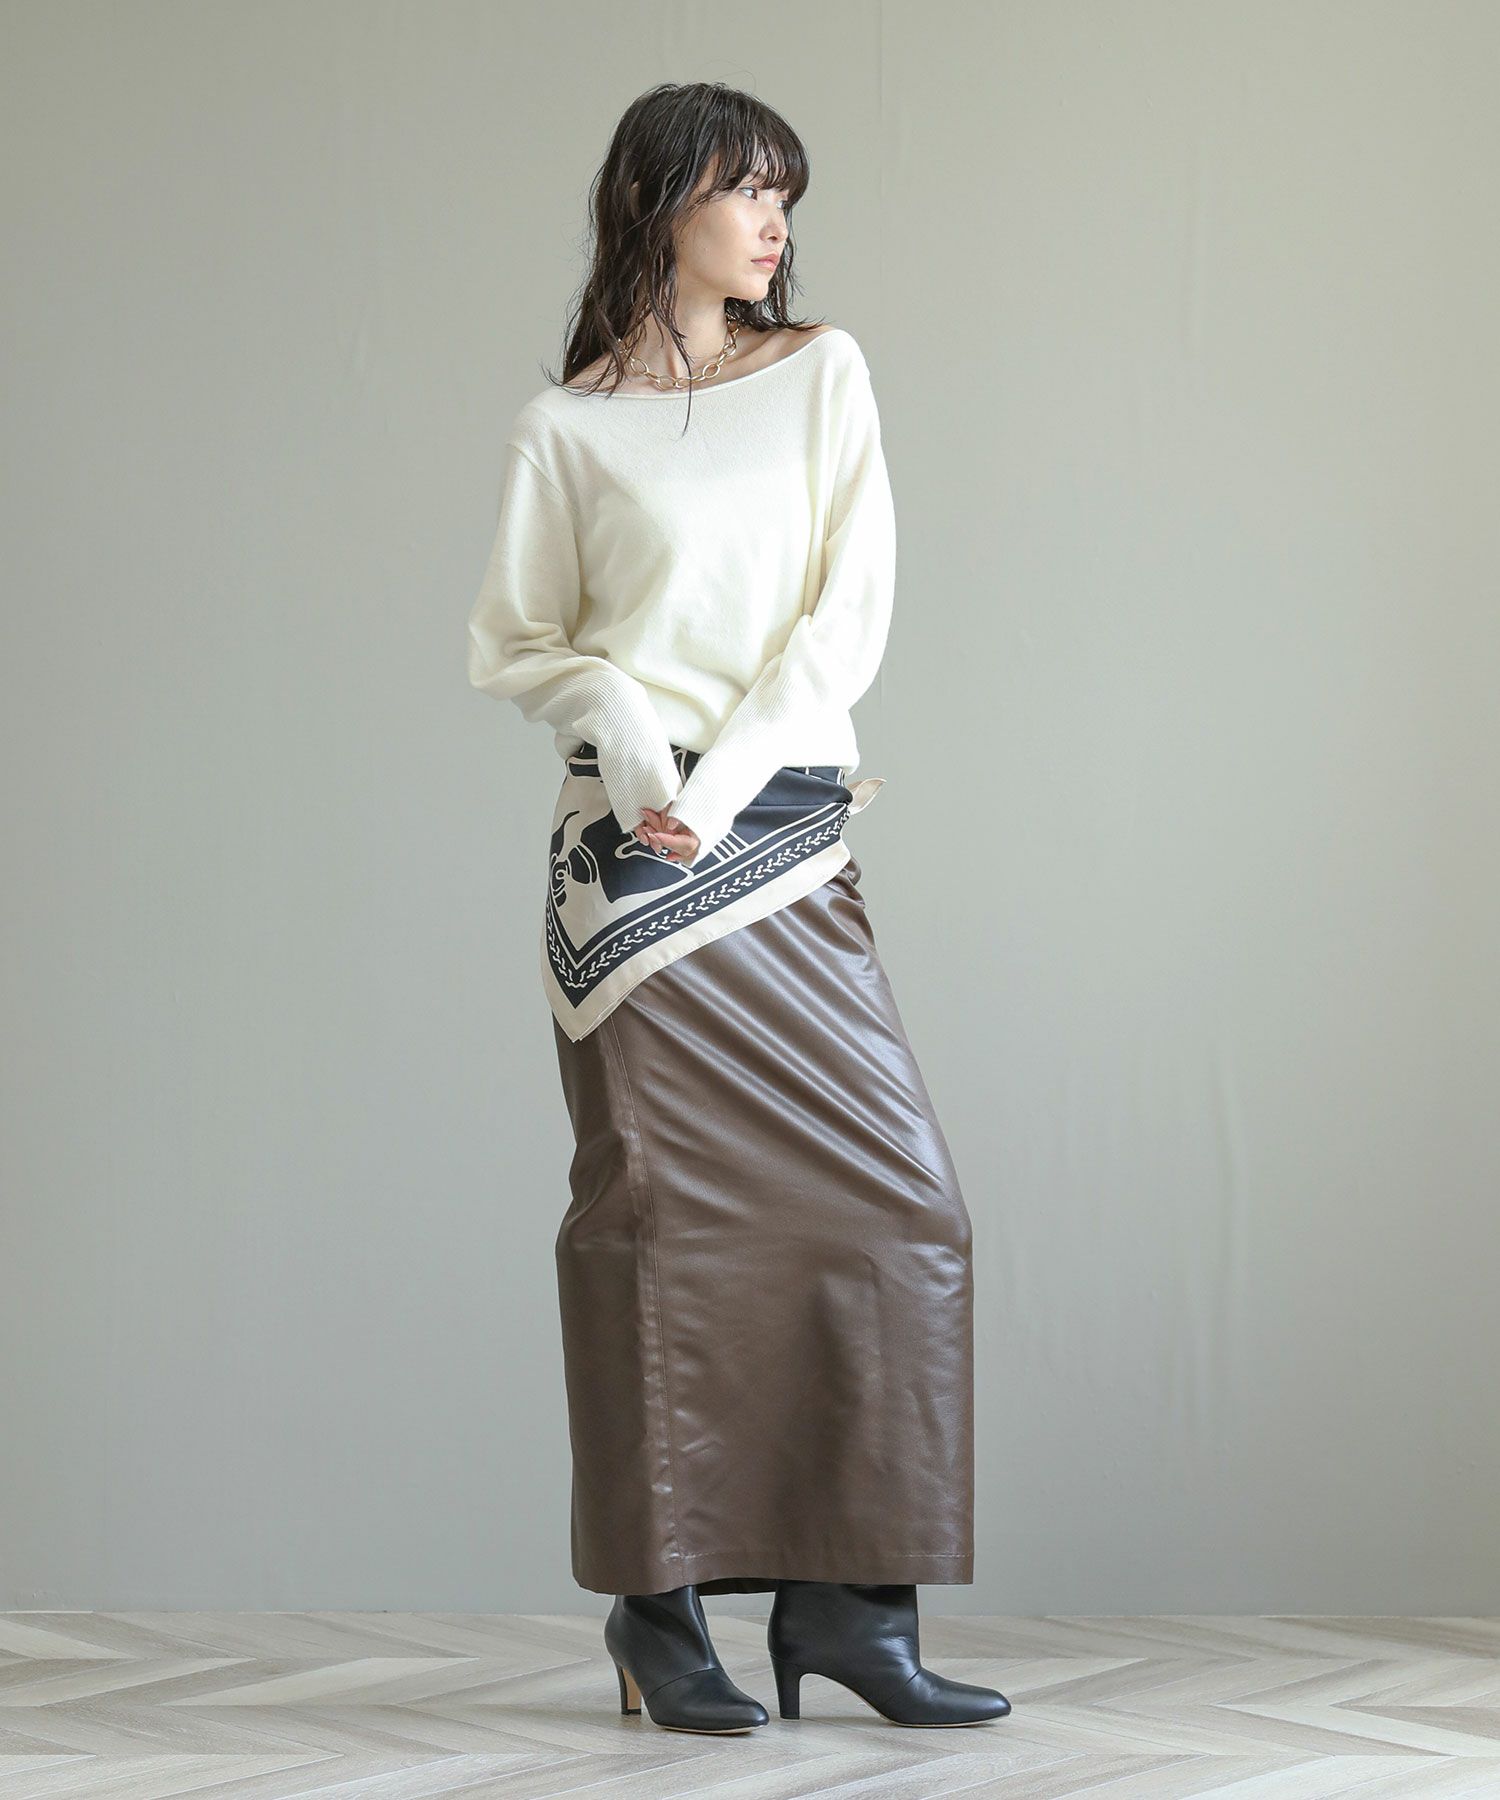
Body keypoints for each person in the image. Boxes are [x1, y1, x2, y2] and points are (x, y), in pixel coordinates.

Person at [466, 80, 1010, 1735]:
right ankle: (661, 1614)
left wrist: (719, 785)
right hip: (633, 881)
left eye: (787, 193)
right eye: (745, 189)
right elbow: (519, 644)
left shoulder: (821, 374)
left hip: (778, 841)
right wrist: (639, 744)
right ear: (658, 203)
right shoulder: (568, 428)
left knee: (903, 1215)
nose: (775, 221)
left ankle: (849, 1609)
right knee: (655, 1234)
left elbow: (846, 624)